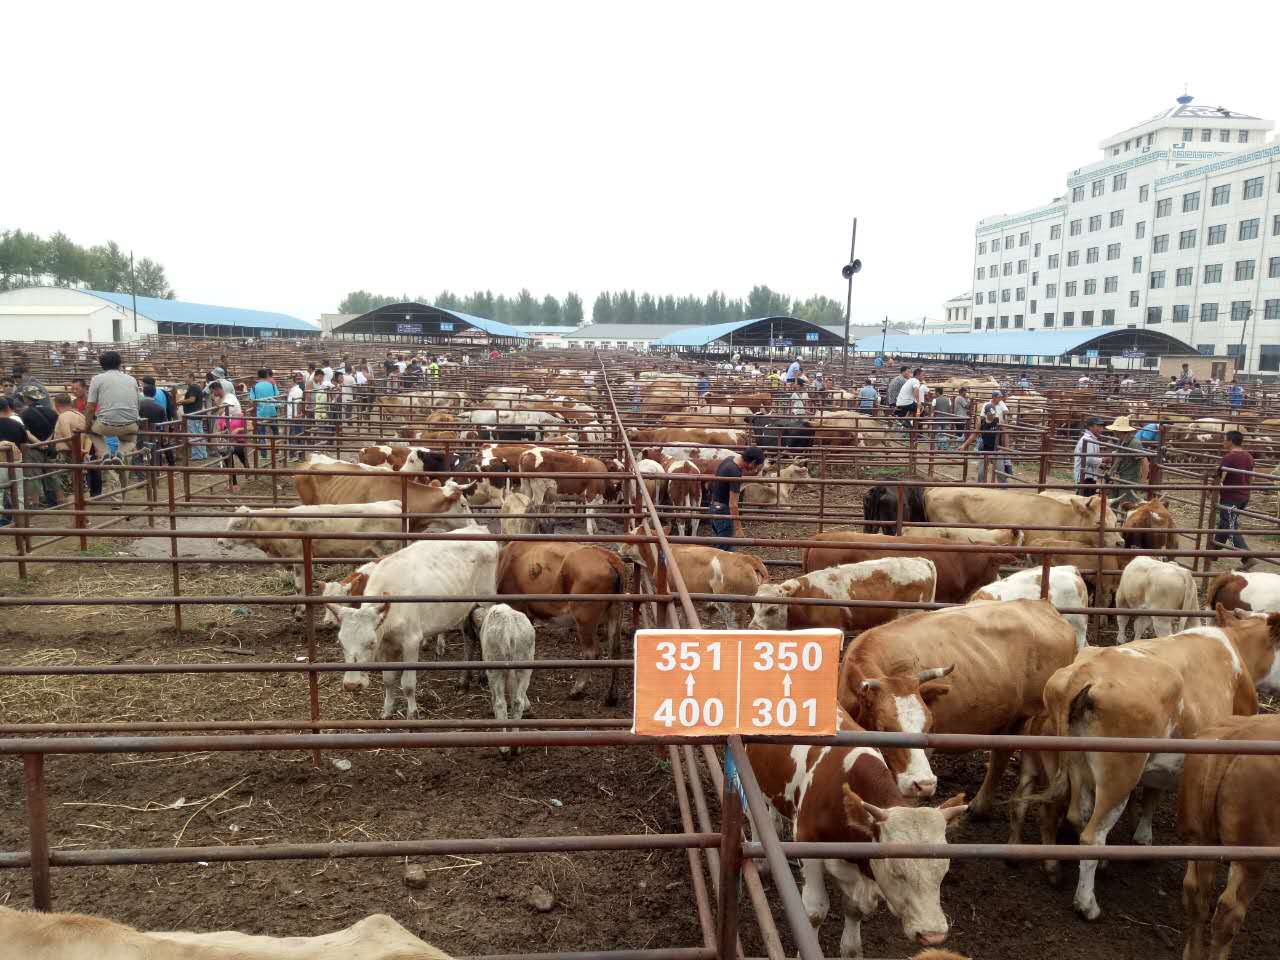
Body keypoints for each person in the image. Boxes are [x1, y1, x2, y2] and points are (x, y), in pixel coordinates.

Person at [706, 446, 766, 551]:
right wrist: (738, 528)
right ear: (753, 462)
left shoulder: (729, 460)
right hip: (723, 512)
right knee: (725, 550)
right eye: (756, 466)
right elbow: (733, 504)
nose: (755, 470)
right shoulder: (735, 472)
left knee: (720, 546)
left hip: (714, 507)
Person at [85, 351, 140, 462]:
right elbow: (137, 405)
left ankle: (105, 452)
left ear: (101, 365)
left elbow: (90, 407)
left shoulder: (97, 379)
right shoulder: (132, 379)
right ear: (119, 364)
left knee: (91, 432)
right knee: (130, 441)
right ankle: (121, 453)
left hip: (106, 425)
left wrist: (86, 427)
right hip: (129, 424)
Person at [1211, 431, 1255, 568]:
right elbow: (1251, 477)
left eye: (1225, 440)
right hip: (1243, 496)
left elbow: (1221, 478)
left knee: (1229, 525)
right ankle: (1213, 551)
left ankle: (1247, 557)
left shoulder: (1229, 457)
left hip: (1231, 496)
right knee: (1226, 522)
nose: (1223, 443)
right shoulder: (1248, 456)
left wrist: (1213, 491)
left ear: (1230, 441)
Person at [51, 393, 99, 499]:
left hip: (67, 453)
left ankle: (75, 513)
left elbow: (67, 435)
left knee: (68, 485)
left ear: (56, 404)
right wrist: (84, 450)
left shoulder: (63, 417)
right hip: (79, 452)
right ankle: (84, 510)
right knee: (82, 483)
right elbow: (88, 435)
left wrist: (77, 450)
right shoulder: (80, 415)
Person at [959, 403, 1010, 484]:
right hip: (985, 449)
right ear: (986, 414)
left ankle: (1004, 488)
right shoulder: (981, 422)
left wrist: (1006, 448)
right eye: (990, 414)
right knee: (981, 472)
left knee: (1000, 472)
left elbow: (1005, 434)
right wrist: (964, 445)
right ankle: (981, 487)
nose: (992, 416)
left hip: (997, 450)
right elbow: (974, 434)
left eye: (993, 414)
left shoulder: (999, 421)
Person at [1104, 415, 1146, 508]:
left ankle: (1124, 522)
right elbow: (1119, 458)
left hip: (1129, 479)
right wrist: (1111, 471)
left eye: (1116, 431)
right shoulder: (1121, 440)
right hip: (1119, 477)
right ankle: (1113, 521)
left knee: (1127, 505)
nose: (1114, 432)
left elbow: (1144, 461)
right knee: (1112, 503)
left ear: (1122, 431)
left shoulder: (1135, 443)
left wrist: (1143, 482)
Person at [249, 368, 280, 460]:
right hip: (272, 411)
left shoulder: (254, 387)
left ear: (258, 376)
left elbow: (252, 400)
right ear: (266, 375)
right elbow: (277, 396)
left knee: (261, 434)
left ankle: (263, 454)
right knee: (275, 432)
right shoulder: (272, 385)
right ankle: (276, 449)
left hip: (260, 413)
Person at [1073, 416, 1106, 495]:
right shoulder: (1088, 440)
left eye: (1102, 426)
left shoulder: (1092, 439)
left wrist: (1100, 464)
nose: (1101, 429)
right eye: (1098, 426)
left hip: (1088, 475)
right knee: (1084, 500)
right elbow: (1088, 459)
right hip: (1086, 476)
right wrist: (1103, 460)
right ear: (1090, 427)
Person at [180, 374, 208, 461]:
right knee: (199, 434)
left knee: (193, 434)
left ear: (191, 378)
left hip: (193, 415)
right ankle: (203, 453)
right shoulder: (195, 387)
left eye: (186, 377)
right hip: (196, 414)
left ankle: (197, 455)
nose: (184, 379)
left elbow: (192, 399)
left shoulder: (193, 387)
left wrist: (180, 401)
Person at [285, 371, 307, 460]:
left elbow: (299, 403)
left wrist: (297, 415)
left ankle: (295, 455)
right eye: (287, 382)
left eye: (289, 382)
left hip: (295, 417)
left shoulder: (297, 391)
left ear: (294, 382)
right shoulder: (292, 390)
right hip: (292, 416)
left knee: (295, 436)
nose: (288, 383)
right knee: (295, 436)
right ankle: (297, 455)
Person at [932, 386, 953, 451]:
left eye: (935, 392)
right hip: (946, 418)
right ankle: (945, 446)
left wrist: (932, 418)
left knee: (938, 433)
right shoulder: (948, 399)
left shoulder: (935, 400)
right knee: (945, 433)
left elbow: (933, 411)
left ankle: (939, 446)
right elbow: (950, 410)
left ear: (937, 392)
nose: (935, 393)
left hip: (938, 419)